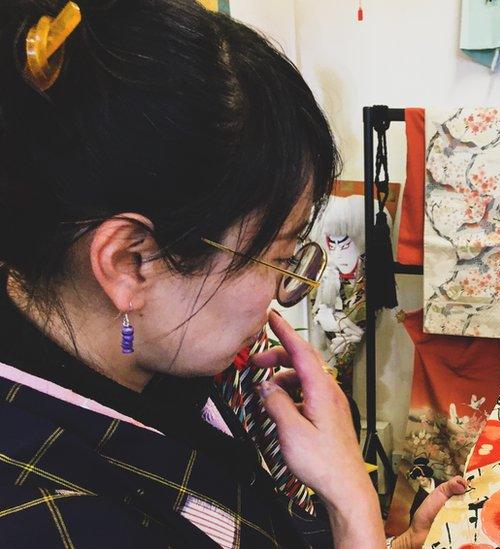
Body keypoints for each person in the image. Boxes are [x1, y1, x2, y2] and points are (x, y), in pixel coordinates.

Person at [0, 1, 459, 547]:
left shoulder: (164, 355)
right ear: (131, 264)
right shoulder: (49, 517)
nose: (281, 298)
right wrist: (353, 507)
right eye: (279, 258)